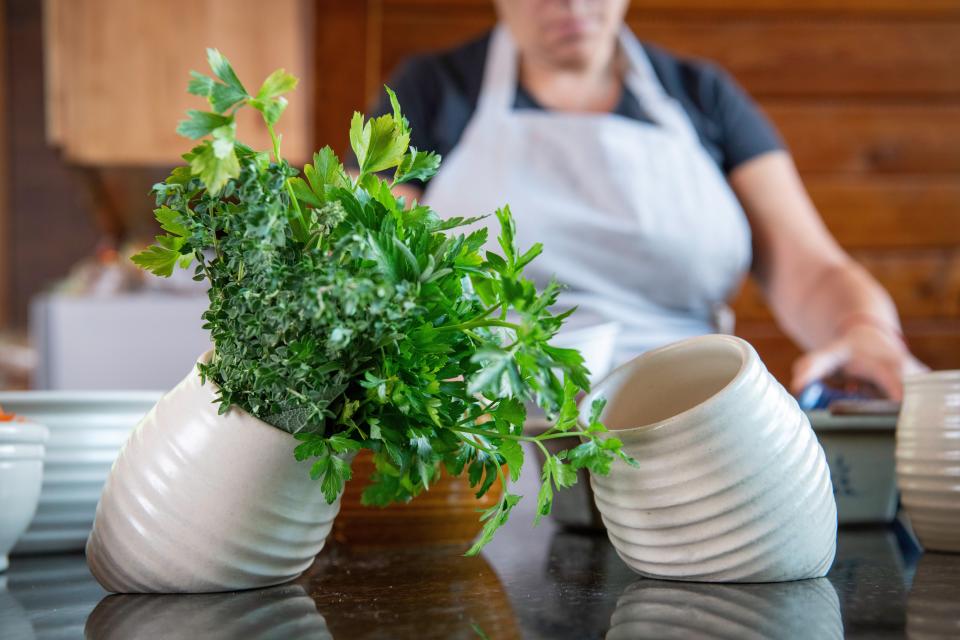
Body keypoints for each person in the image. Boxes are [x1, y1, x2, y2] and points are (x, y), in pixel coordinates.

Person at [359, 0, 927, 400]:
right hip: (495, 436)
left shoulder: (703, 96)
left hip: (692, 420)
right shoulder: (428, 91)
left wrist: (864, 327)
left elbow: (811, 266)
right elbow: (380, 258)